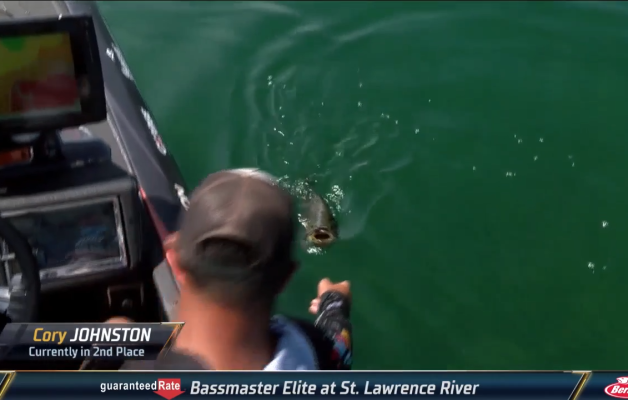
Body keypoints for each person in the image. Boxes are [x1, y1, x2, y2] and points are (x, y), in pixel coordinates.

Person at [114, 168, 352, 370]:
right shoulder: (316, 351)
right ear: (285, 278)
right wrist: (334, 302)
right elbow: (338, 344)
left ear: (174, 259)